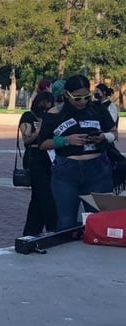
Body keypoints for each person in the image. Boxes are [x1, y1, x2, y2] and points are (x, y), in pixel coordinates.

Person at [38, 75, 116, 230]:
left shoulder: (98, 109)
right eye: (77, 98)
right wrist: (66, 140)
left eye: (87, 97)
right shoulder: (55, 113)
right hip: (67, 169)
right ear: (67, 94)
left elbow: (114, 132)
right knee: (66, 221)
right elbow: (43, 144)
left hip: (97, 168)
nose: (82, 102)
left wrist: (103, 137)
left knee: (100, 219)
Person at [19, 91, 57, 236]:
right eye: (45, 103)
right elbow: (26, 139)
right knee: (44, 193)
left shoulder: (51, 117)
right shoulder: (28, 116)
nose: (47, 106)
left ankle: (32, 230)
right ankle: (52, 224)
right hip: (34, 156)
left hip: (49, 156)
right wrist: (39, 131)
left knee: (38, 197)